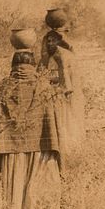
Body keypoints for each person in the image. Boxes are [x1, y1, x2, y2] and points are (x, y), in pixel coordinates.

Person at [0, 36, 61, 209]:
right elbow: (50, 118)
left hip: (10, 146)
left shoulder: (2, 87)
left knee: (13, 185)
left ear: (13, 64)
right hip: (37, 143)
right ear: (32, 64)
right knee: (34, 183)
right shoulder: (42, 86)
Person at [40, 15, 85, 160]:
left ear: (59, 41)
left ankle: (68, 154)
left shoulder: (63, 56)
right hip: (56, 94)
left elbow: (66, 82)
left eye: (53, 40)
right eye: (49, 41)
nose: (50, 43)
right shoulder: (51, 55)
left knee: (66, 124)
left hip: (64, 96)